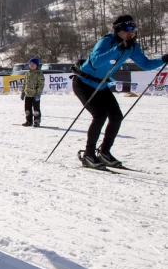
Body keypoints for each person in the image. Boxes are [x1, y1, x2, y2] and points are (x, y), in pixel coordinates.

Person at [72, 15, 168, 169]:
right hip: (83, 83)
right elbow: (95, 62)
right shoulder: (106, 41)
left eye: (133, 29)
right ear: (117, 31)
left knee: (116, 116)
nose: (130, 32)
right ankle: (88, 154)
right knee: (100, 115)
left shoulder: (132, 47)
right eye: (126, 29)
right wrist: (117, 48)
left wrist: (163, 59)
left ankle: (104, 152)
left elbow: (146, 64)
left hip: (101, 85)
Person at [20, 57, 44, 127]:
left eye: (33, 64)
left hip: (35, 94)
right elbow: (24, 83)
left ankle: (37, 121)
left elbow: (41, 84)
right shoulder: (27, 74)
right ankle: (28, 121)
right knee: (27, 109)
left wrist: (38, 93)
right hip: (28, 94)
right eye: (30, 64)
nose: (31, 65)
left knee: (36, 109)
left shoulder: (39, 73)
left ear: (36, 65)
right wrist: (23, 92)